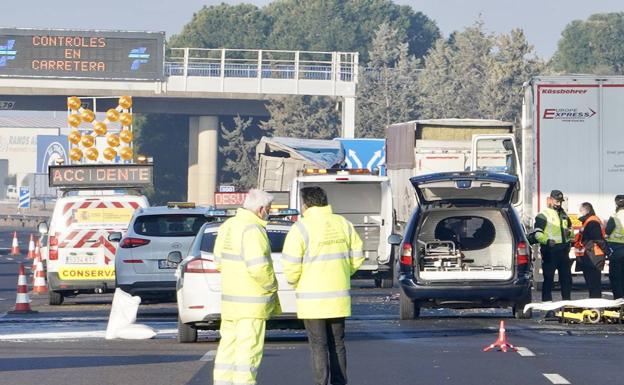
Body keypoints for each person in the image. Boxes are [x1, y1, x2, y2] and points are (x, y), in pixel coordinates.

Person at [282, 187, 364, 385]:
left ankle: (321, 383)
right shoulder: (343, 224)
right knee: (338, 343)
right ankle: (339, 382)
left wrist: (295, 281)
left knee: (318, 345)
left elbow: (291, 265)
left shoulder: (301, 228)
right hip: (338, 298)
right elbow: (358, 256)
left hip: (312, 300)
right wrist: (344, 272)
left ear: (306, 204)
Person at [212, 189, 280, 385]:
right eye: (268, 209)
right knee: (248, 351)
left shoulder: (229, 225)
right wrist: (272, 285)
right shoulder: (253, 230)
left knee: (228, 348)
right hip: (251, 303)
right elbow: (259, 267)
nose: (269, 212)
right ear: (260, 209)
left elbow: (218, 261)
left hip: (230, 301)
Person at [534, 190, 573, 302]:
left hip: (563, 252)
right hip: (550, 252)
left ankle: (567, 305)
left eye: (560, 201)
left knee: (566, 280)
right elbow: (537, 234)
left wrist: (569, 233)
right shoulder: (543, 215)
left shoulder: (564, 215)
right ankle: (547, 307)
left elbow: (571, 230)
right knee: (549, 281)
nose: (559, 204)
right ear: (550, 200)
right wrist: (547, 241)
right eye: (557, 201)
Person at [574, 202, 606, 299]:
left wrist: (608, 251)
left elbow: (598, 239)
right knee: (592, 285)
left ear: (585, 211)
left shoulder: (592, 222)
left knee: (594, 285)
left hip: (593, 257)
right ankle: (594, 305)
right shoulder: (589, 221)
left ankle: (596, 307)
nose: (578, 213)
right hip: (589, 256)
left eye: (580, 211)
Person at [606, 195, 624, 299]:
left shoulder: (615, 216)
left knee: (616, 276)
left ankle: (619, 301)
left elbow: (608, 231)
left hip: (616, 249)